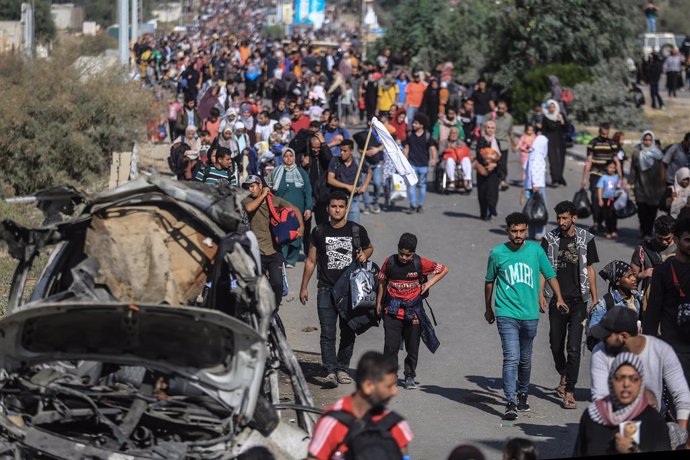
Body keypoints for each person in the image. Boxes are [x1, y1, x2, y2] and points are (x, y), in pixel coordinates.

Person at [484, 212, 567, 420]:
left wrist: (559, 298)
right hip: (506, 313)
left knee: (525, 359)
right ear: (507, 231)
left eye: (522, 231)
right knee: (511, 357)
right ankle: (510, 401)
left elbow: (550, 275)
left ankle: (523, 393)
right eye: (514, 231)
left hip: (530, 314)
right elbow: (489, 281)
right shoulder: (497, 253)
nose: (518, 235)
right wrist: (488, 308)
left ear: (527, 230)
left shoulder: (535, 251)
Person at [299, 192, 374, 388]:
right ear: (328, 209)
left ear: (346, 208)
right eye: (334, 206)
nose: (337, 210)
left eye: (341, 206)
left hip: (349, 290)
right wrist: (304, 287)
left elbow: (369, 248)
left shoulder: (356, 230)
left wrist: (365, 254)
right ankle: (330, 371)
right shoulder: (319, 231)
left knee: (348, 330)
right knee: (327, 332)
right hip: (325, 288)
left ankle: (342, 368)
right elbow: (311, 260)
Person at [589, 306, 690, 436]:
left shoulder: (661, 350)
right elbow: (600, 397)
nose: (602, 339)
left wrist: (681, 436)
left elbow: (682, 395)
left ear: (624, 336)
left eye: (607, 335)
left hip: (653, 420)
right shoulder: (600, 352)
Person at [541, 201, 599, 409]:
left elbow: (590, 269)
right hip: (558, 301)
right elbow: (543, 269)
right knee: (555, 344)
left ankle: (570, 391)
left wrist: (595, 297)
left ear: (574, 218)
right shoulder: (549, 239)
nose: (561, 222)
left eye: (565, 218)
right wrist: (541, 295)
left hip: (579, 302)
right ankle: (564, 373)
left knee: (574, 348)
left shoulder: (586, 239)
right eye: (559, 218)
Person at [307, 351, 413, 459]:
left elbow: (403, 456)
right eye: (389, 386)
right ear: (368, 386)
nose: (395, 392)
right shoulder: (333, 423)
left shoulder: (396, 424)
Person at [376, 233, 448, 390]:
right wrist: (379, 303)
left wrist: (428, 285)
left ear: (413, 253)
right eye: (401, 253)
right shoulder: (389, 262)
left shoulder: (419, 263)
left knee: (412, 347)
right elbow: (382, 282)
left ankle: (409, 375)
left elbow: (443, 269)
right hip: (392, 311)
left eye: (407, 255)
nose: (403, 257)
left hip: (413, 312)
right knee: (390, 346)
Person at [572, 352, 671, 456]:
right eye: (620, 378)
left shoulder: (654, 422)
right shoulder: (593, 416)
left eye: (633, 379)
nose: (626, 384)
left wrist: (634, 450)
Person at [242, 175, 304, 309]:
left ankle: (274, 309)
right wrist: (263, 195)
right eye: (248, 187)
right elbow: (249, 208)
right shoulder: (246, 200)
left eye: (253, 186)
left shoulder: (274, 200)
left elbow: (295, 209)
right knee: (257, 285)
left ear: (260, 186)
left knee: (277, 284)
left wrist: (301, 227)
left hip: (274, 251)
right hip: (256, 251)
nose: (250, 189)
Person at [643, 217, 690, 382]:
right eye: (687, 240)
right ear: (677, 240)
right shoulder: (663, 271)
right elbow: (653, 311)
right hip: (673, 347)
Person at [268, 148, 313, 268]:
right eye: (286, 156)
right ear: (282, 158)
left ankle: (291, 259)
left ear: (294, 157)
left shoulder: (301, 172)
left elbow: (308, 191)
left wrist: (309, 207)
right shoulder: (276, 172)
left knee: (296, 234)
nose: (288, 158)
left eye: (290, 156)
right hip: (280, 210)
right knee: (282, 232)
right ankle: (281, 258)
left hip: (298, 210)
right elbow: (268, 189)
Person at [581, 123, 622, 234]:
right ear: (599, 132)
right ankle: (595, 222)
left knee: (607, 199)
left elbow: (616, 161)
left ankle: (603, 221)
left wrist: (620, 177)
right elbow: (588, 161)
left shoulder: (612, 144)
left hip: (609, 175)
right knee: (595, 197)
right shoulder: (593, 143)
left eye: (607, 134)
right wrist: (584, 178)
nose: (604, 136)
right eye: (603, 134)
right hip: (596, 174)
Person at [629, 130, 665, 238]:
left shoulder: (658, 154)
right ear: (642, 140)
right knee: (642, 211)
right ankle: (643, 229)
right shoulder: (636, 153)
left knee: (652, 212)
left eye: (650, 140)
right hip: (640, 186)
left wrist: (663, 185)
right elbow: (633, 169)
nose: (647, 142)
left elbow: (662, 170)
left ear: (652, 140)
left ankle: (648, 232)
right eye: (645, 139)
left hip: (655, 188)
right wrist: (630, 183)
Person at [327, 139, 371, 223]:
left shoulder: (358, 161)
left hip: (352, 200)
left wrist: (364, 186)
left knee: (354, 228)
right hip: (337, 201)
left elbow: (369, 172)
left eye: (345, 151)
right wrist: (347, 186)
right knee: (337, 228)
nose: (342, 153)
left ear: (351, 151)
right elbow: (330, 180)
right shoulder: (335, 161)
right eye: (341, 150)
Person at [631, 215, 677, 294]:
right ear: (655, 232)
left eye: (667, 239)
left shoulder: (681, 249)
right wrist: (642, 274)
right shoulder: (643, 249)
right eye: (660, 238)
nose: (664, 242)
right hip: (649, 298)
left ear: (673, 234)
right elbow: (630, 279)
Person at [403, 112, 438, 214]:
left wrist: (433, 159)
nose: (413, 124)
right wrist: (404, 160)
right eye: (414, 122)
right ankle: (413, 205)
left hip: (423, 165)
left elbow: (432, 148)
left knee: (422, 185)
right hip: (412, 164)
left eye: (416, 123)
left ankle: (420, 205)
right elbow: (407, 148)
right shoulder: (410, 134)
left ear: (422, 125)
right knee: (411, 185)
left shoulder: (427, 136)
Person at [474, 120, 501, 221]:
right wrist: (487, 164)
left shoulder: (496, 141)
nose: (490, 130)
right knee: (482, 192)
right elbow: (479, 155)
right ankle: (483, 212)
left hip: (493, 171)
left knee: (492, 191)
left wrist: (494, 164)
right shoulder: (481, 140)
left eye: (492, 128)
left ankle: (492, 209)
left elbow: (500, 156)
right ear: (485, 129)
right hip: (482, 170)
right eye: (488, 127)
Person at [523, 132, 548, 240]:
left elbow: (527, 168)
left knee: (531, 208)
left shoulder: (532, 153)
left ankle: (532, 232)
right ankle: (539, 233)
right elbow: (536, 170)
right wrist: (536, 185)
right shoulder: (538, 155)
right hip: (537, 185)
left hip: (530, 184)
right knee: (540, 208)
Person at [542, 99, 567, 187]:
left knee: (561, 160)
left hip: (560, 140)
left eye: (553, 106)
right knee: (553, 160)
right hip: (550, 140)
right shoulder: (546, 117)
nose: (552, 108)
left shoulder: (560, 115)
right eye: (550, 107)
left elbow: (566, 129)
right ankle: (555, 179)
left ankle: (560, 177)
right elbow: (544, 130)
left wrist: (562, 121)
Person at [494, 100, 517, 191]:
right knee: (494, 163)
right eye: (499, 108)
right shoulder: (492, 116)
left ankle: (502, 180)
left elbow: (511, 132)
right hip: (493, 143)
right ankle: (494, 180)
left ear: (506, 109)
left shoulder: (509, 118)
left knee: (503, 163)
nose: (500, 110)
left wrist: (513, 145)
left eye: (502, 108)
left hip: (503, 143)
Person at [597, 160, 621, 239]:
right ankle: (608, 230)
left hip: (614, 199)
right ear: (606, 168)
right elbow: (600, 188)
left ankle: (614, 230)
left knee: (614, 215)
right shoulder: (604, 177)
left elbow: (620, 186)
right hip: (605, 199)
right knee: (607, 215)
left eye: (614, 168)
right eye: (610, 167)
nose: (612, 169)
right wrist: (600, 199)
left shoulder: (616, 177)